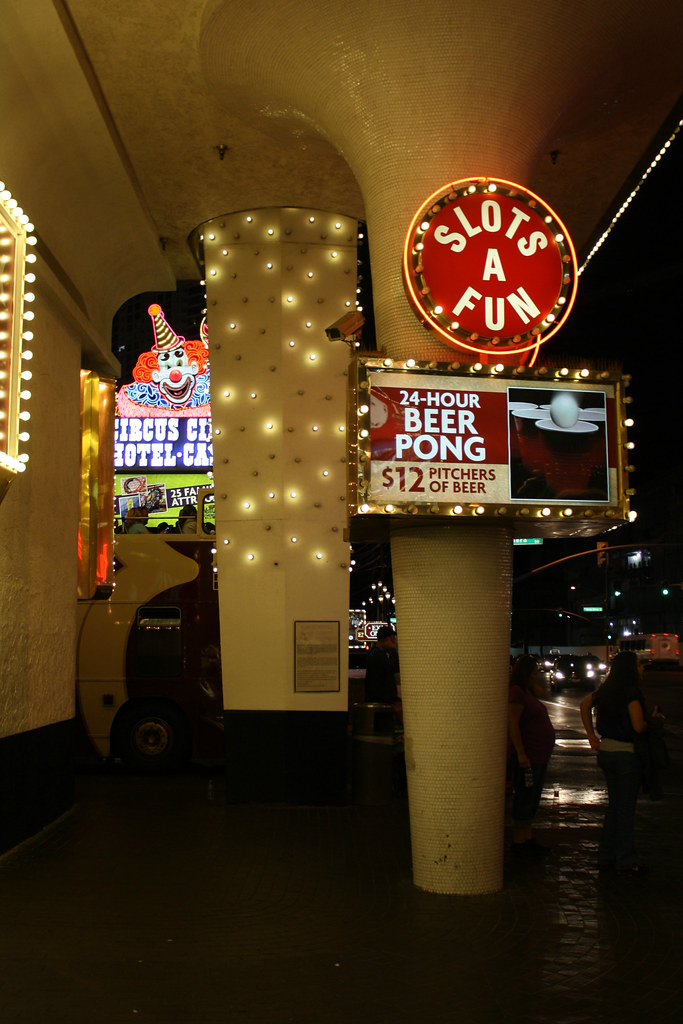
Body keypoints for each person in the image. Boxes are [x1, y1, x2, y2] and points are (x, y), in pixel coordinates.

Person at [580, 651, 662, 874]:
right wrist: (652, 721)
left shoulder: (605, 691)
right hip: (627, 755)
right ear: (630, 669)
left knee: (614, 808)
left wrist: (591, 736)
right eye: (639, 665)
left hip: (606, 752)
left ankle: (606, 855)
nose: (642, 668)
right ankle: (626, 860)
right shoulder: (631, 693)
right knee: (625, 810)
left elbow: (584, 705)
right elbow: (638, 726)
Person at [508, 654, 556, 856]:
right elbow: (513, 724)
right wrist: (521, 753)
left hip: (538, 755)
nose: (536, 677)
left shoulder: (526, 692)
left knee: (532, 797)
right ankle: (520, 841)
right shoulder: (516, 694)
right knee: (525, 797)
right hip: (528, 756)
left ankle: (527, 837)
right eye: (534, 673)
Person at [364, 626, 399, 704]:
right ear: (385, 640)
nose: (393, 642)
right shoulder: (376, 655)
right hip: (380, 700)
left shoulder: (376, 653)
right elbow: (393, 667)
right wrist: (392, 649)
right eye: (392, 640)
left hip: (380, 699)